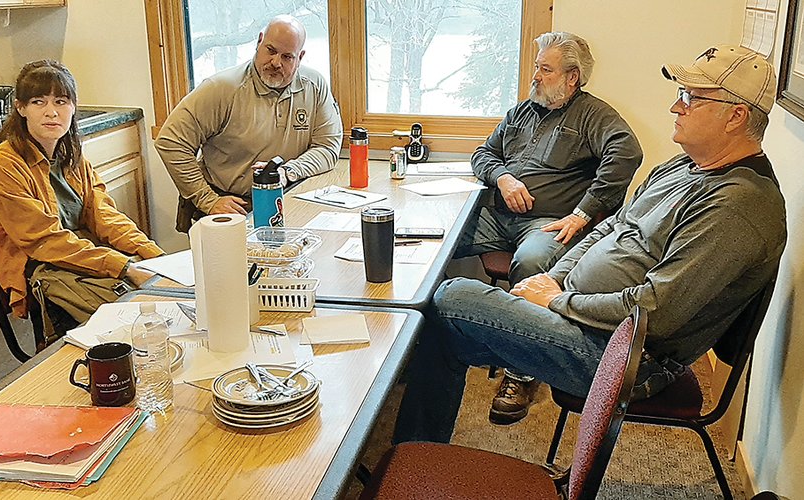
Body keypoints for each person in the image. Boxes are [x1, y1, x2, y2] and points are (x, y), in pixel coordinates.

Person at [394, 45, 787, 444]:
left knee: (452, 297)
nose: (675, 107)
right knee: (443, 323)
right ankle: (412, 456)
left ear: (736, 116)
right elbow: (611, 227)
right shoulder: (682, 166)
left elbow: (657, 312)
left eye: (690, 97)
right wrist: (555, 281)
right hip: (583, 318)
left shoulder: (738, 204)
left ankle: (410, 454)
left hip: (625, 356)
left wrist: (556, 301)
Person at [454, 31, 643, 425]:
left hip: (544, 223)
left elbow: (627, 153)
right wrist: (504, 178)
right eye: (536, 67)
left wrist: (583, 213)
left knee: (533, 262)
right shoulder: (523, 110)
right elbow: (483, 153)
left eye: (545, 69)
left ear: (571, 77)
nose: (535, 76)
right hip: (495, 213)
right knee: (435, 242)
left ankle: (521, 372)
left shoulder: (594, 115)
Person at [0, 60, 164, 339]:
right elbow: (44, 241)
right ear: (20, 108)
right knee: (138, 319)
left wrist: (154, 256)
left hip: (84, 251)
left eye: (61, 101)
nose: (51, 112)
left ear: (73, 108)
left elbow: (104, 216)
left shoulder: (71, 155)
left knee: (162, 292)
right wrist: (124, 267)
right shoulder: (1, 165)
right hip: (41, 266)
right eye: (39, 102)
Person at [155, 14, 344, 232]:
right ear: (259, 41)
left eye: (287, 57)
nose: (275, 63)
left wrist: (286, 171)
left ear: (300, 57)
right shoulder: (222, 88)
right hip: (231, 206)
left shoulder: (315, 85)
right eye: (270, 50)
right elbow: (170, 142)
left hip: (287, 199)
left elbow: (327, 148)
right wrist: (208, 200)